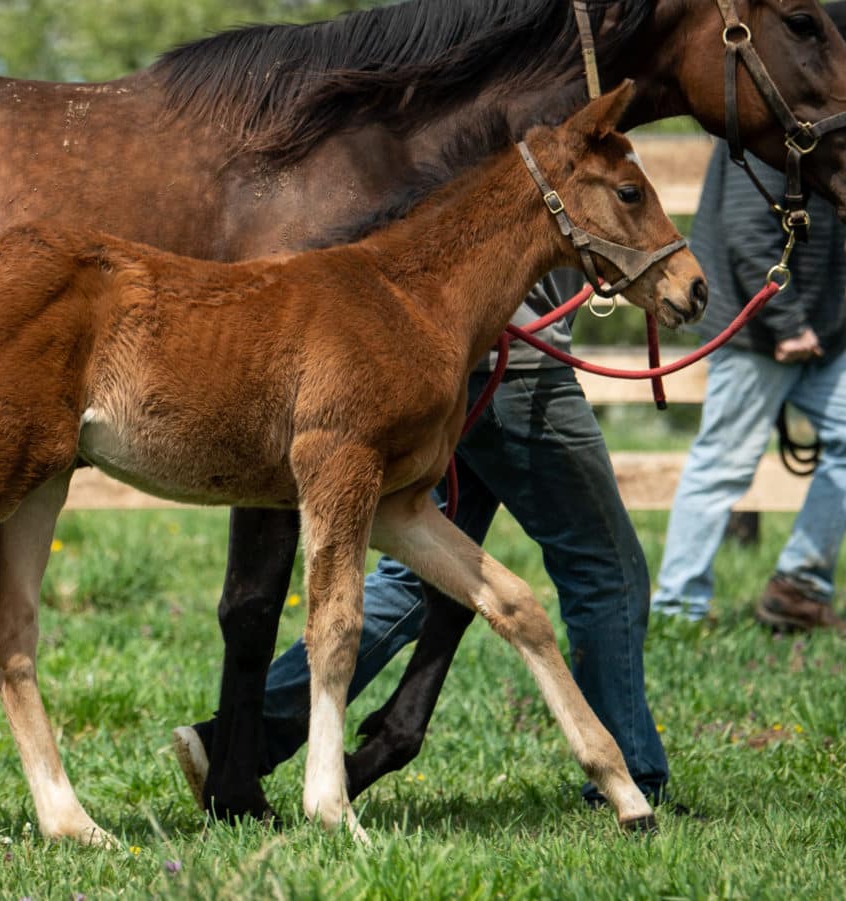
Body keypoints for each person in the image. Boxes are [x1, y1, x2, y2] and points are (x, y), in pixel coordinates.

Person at [176, 262, 673, 809]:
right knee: (606, 570)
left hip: (438, 364)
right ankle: (634, 775)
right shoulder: (573, 172)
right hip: (522, 369)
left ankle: (238, 738)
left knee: (419, 571)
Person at [650, 140, 846, 630]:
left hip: (825, 329)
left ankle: (799, 586)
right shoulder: (768, 122)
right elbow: (747, 229)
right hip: (761, 330)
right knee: (722, 466)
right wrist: (787, 322)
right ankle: (678, 610)